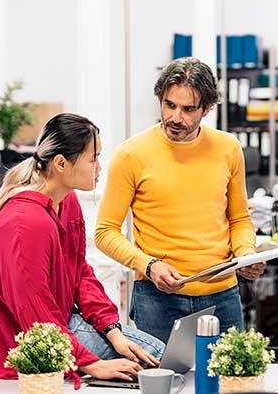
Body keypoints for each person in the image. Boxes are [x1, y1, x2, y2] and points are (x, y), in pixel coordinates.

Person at [0, 113, 164, 385]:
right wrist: (91, 364)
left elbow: (79, 271)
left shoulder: (66, 202)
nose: (99, 167)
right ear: (60, 163)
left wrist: (112, 329)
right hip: (12, 340)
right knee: (155, 357)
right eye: (93, 159)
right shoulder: (27, 224)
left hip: (54, 322)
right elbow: (35, 313)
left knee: (150, 356)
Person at [95, 57, 264, 344]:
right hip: (157, 298)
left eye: (188, 109)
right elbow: (104, 232)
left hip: (222, 294)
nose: (176, 117)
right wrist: (148, 265)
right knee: (163, 384)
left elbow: (238, 219)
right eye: (169, 105)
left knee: (231, 384)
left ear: (207, 109)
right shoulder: (131, 154)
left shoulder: (228, 148)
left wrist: (246, 253)